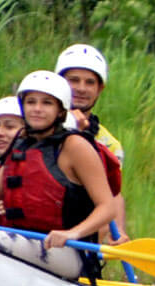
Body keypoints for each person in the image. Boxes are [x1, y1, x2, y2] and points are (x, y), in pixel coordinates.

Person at [0, 71, 121, 280]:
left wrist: (73, 233)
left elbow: (108, 207)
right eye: (31, 102)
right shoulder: (22, 148)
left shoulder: (75, 146)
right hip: (26, 240)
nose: (37, 108)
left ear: (60, 111)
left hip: (68, 251)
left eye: (46, 103)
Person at [56, 43, 131, 243]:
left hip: (76, 229)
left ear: (100, 89)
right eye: (73, 80)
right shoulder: (34, 124)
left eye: (90, 82)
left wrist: (120, 231)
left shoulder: (108, 144)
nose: (81, 88)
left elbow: (113, 194)